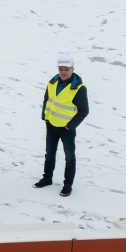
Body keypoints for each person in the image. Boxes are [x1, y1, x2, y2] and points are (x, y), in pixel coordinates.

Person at [34, 55, 89, 197]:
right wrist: (45, 117)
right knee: (49, 154)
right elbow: (47, 100)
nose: (63, 72)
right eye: (61, 69)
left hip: (67, 130)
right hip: (51, 125)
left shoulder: (79, 88)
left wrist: (70, 126)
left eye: (67, 69)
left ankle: (67, 185)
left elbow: (84, 111)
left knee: (69, 157)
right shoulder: (52, 83)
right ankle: (47, 178)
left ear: (72, 69)